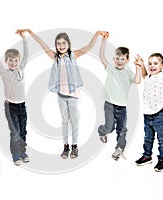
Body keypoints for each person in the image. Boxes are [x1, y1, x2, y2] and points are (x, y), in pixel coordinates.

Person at [18, 29, 107, 159]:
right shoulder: (55, 57)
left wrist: (97, 34)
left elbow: (89, 46)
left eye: (64, 43)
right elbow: (41, 43)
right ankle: (66, 147)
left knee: (74, 121)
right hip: (61, 94)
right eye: (58, 43)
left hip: (73, 94)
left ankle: (74, 147)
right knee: (65, 121)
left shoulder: (73, 55)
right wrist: (29, 32)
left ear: (68, 44)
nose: (61, 46)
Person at [97, 33, 141, 161]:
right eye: (117, 58)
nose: (119, 61)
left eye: (122, 59)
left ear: (127, 60)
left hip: (122, 107)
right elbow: (101, 56)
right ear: (114, 59)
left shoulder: (128, 73)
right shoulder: (111, 69)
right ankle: (102, 130)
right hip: (109, 105)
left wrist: (138, 66)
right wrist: (104, 41)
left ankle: (119, 149)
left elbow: (138, 80)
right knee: (110, 127)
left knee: (122, 129)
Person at [134, 49, 163, 172]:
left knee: (162, 139)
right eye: (150, 63)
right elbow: (143, 74)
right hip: (147, 114)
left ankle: (162, 158)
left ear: (162, 66)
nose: (152, 66)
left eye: (156, 63)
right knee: (148, 137)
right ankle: (147, 156)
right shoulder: (148, 77)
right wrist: (141, 64)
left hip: (159, 114)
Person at [0, 30, 30, 166]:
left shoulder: (21, 68)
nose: (14, 63)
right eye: (11, 61)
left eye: (16, 60)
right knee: (15, 133)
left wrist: (24, 38)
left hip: (22, 105)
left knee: (23, 131)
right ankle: (15, 154)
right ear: (7, 61)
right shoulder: (4, 73)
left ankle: (23, 151)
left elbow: (26, 53)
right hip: (11, 107)